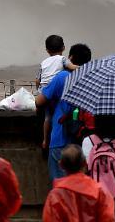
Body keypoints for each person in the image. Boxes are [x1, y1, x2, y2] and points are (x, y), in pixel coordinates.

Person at [35, 43, 92, 182]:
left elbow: (39, 102)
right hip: (84, 141)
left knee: (61, 186)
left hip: (61, 137)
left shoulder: (62, 77)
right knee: (81, 186)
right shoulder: (91, 78)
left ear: (70, 57)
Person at [36, 35, 77, 152]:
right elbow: (72, 67)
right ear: (63, 47)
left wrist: (39, 90)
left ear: (47, 50)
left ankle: (45, 140)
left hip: (44, 91)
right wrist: (84, 68)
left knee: (47, 118)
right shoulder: (63, 59)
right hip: (56, 90)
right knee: (57, 113)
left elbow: (37, 80)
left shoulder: (43, 62)